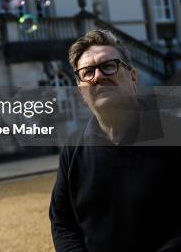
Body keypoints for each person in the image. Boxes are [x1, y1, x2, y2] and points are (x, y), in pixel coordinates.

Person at [49, 29, 181, 251]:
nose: (98, 76)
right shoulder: (73, 149)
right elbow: (63, 223)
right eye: (88, 72)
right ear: (81, 91)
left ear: (133, 77)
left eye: (109, 65)